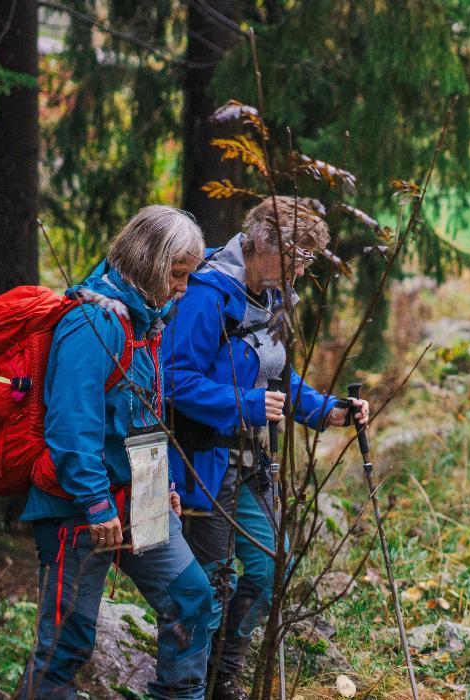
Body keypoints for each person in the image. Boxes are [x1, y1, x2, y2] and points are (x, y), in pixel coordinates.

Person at [162, 197, 368, 699]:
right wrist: (246, 404)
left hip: (252, 462)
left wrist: (326, 409)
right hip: (201, 461)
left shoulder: (271, 296)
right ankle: (190, 683)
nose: (302, 269)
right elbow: (173, 380)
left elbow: (275, 375)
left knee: (268, 568)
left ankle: (222, 676)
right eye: (297, 257)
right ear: (263, 245)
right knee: (211, 582)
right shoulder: (207, 292)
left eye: (308, 260)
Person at [18, 205, 217, 700]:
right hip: (81, 507)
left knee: (192, 600)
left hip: (142, 498)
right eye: (177, 274)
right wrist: (96, 503)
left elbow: (140, 416)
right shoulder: (94, 322)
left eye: (189, 276)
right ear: (149, 261)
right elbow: (71, 427)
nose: (183, 288)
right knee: (65, 646)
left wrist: (161, 485)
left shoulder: (148, 322)